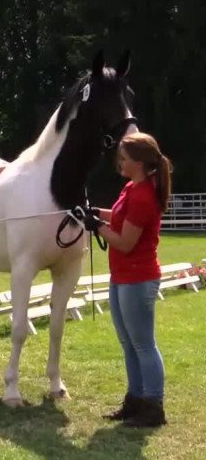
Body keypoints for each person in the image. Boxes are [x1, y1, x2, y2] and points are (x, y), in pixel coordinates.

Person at [81, 132, 172, 428]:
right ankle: (135, 400)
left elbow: (124, 241)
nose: (119, 162)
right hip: (122, 276)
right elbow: (120, 218)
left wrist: (96, 227)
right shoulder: (131, 188)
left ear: (139, 161)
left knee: (144, 344)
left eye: (123, 157)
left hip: (137, 277)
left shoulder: (144, 195)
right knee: (129, 343)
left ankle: (153, 406)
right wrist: (96, 213)